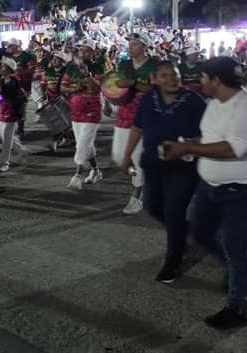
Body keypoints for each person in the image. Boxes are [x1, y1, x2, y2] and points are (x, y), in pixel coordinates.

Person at [162, 57, 247, 329]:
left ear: (216, 80)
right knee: (201, 232)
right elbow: (212, 140)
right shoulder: (214, 104)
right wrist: (189, 143)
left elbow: (233, 148)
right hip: (210, 187)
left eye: (202, 77)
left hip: (245, 191)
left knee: (234, 246)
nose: (197, 81)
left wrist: (187, 150)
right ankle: (240, 270)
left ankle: (237, 308)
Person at [122, 61, 206, 284]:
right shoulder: (149, 98)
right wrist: (126, 155)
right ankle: (185, 233)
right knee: (153, 207)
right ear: (155, 79)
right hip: (153, 162)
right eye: (165, 75)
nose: (171, 79)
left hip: (183, 165)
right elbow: (137, 127)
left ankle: (173, 263)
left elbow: (209, 131)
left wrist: (190, 144)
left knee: (174, 211)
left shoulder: (193, 101)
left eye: (175, 75)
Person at [112, 30, 158, 215]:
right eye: (130, 43)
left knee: (136, 156)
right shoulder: (124, 64)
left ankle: (137, 193)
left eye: (135, 43)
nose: (131, 46)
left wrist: (133, 83)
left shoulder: (154, 65)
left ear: (145, 46)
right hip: (124, 113)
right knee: (119, 155)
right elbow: (118, 85)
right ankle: (143, 180)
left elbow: (156, 89)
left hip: (145, 114)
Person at [62, 39, 105, 189]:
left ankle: (78, 175)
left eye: (87, 50)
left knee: (82, 144)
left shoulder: (98, 66)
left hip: (92, 110)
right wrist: (75, 89)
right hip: (76, 110)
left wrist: (87, 75)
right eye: (81, 49)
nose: (83, 52)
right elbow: (63, 87)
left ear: (93, 52)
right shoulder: (71, 67)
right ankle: (96, 170)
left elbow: (97, 88)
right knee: (86, 144)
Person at [0, 57, 27, 172]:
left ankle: (5, 163)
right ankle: (21, 149)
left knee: (6, 140)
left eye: (3, 67)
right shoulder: (2, 80)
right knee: (3, 135)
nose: (1, 68)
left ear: (9, 70)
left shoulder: (14, 82)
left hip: (11, 113)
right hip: (3, 111)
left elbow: (8, 98)